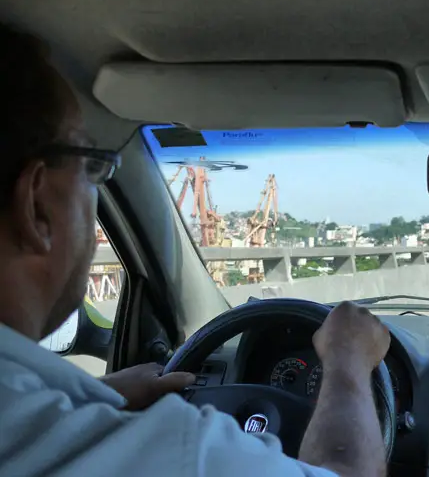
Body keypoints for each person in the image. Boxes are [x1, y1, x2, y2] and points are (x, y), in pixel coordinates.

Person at [0, 24, 390, 477]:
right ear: (37, 207)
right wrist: (347, 361)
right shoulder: (175, 453)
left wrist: (103, 395)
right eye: (92, 166)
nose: (96, 187)